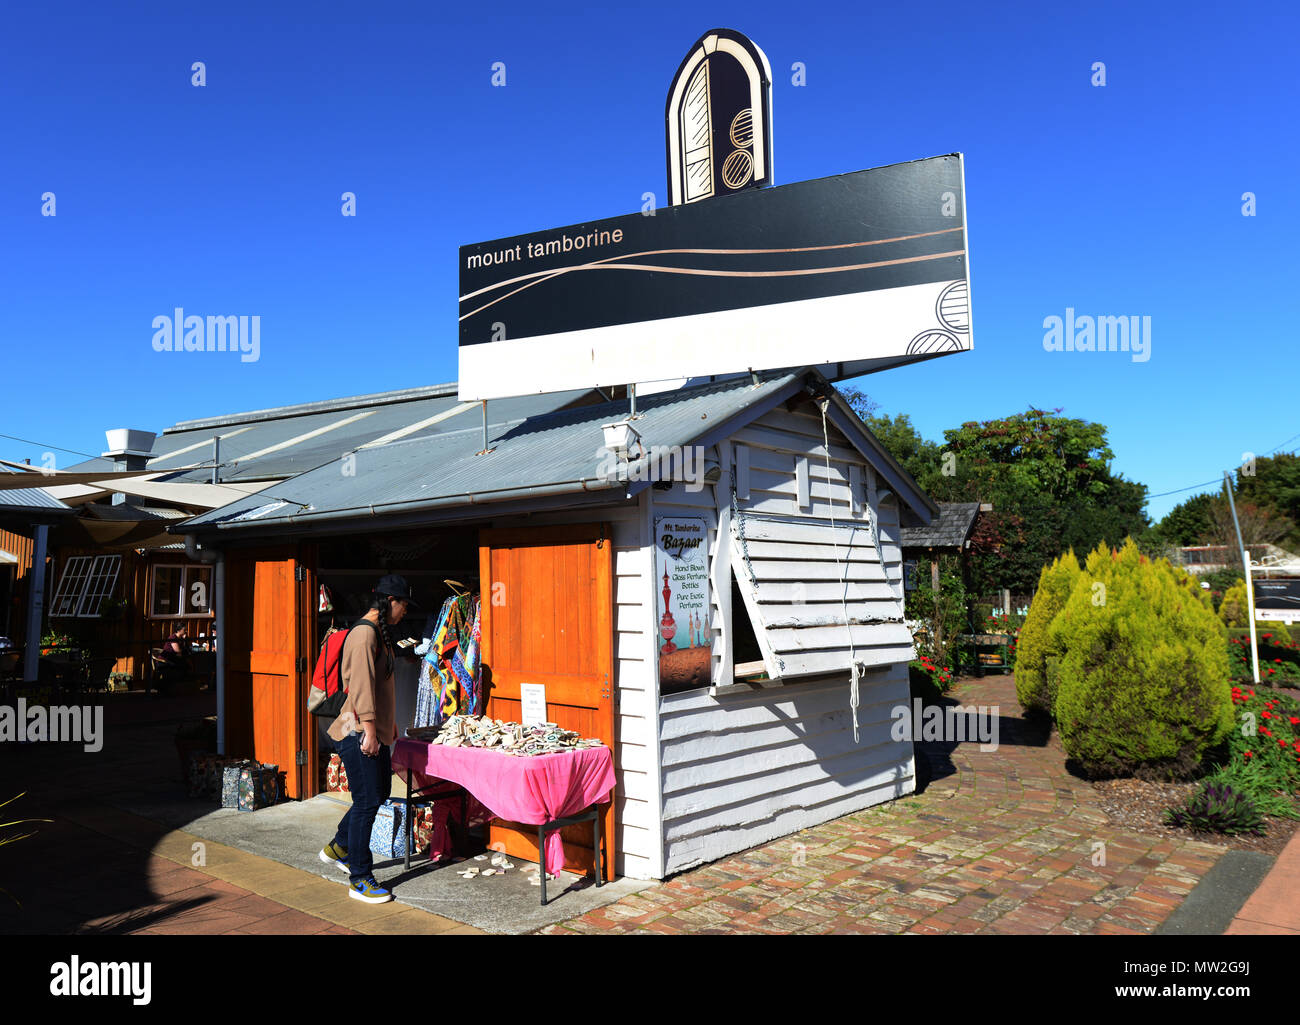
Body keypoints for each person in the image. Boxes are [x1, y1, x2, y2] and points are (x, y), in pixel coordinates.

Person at [318, 574, 418, 904]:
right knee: (365, 801)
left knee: (380, 792)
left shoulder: (379, 632)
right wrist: (371, 731)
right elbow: (360, 686)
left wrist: (383, 728)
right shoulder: (364, 634)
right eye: (404, 605)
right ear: (391, 601)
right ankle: (360, 876)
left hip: (366, 726)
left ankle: (340, 846)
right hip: (357, 728)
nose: (405, 611)